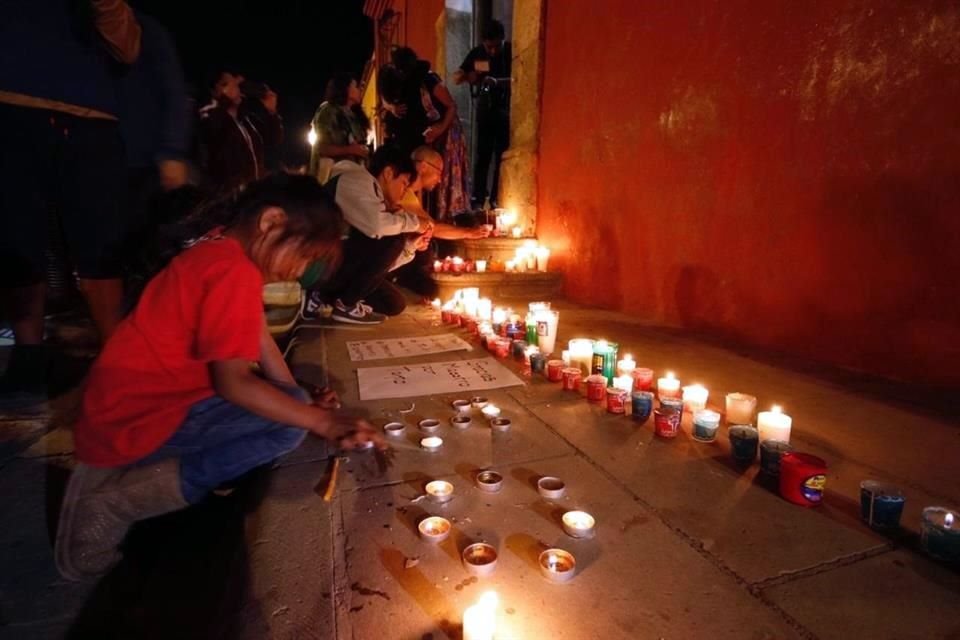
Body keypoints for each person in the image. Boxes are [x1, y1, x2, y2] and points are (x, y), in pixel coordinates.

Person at [55, 174, 385, 581]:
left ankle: (152, 471)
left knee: (291, 409)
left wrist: (296, 396)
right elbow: (233, 382)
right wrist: (322, 420)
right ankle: (118, 499)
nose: (300, 273)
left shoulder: (218, 250)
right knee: (286, 428)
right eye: (304, 257)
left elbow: (256, 337)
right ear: (271, 222)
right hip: (138, 417)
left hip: (133, 403)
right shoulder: (233, 272)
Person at [0, 0, 142, 391]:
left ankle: (116, 358)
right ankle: (28, 356)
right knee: (16, 240)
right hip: (11, 111)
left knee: (103, 245)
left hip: (92, 120)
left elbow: (128, 50)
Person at [300, 145, 430, 324]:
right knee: (393, 235)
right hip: (316, 267)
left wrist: (410, 247)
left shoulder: (373, 198)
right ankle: (343, 304)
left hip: (336, 267)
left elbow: (372, 269)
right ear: (388, 173)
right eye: (404, 184)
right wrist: (415, 223)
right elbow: (376, 226)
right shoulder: (355, 180)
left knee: (393, 303)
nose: (404, 193)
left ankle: (328, 299)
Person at [380, 47, 470, 219]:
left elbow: (452, 106)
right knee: (426, 174)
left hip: (446, 130)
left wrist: (441, 128)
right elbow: (384, 98)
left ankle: (449, 215)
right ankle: (429, 215)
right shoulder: (395, 79)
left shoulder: (429, 79)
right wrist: (392, 108)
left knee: (442, 173)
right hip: (429, 133)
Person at [454, 20, 511, 208]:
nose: (493, 51)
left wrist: (498, 82)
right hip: (485, 108)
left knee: (501, 155)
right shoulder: (478, 53)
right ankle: (478, 198)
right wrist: (466, 76)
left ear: (503, 40)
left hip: (505, 108)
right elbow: (457, 76)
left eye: (496, 46)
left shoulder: (510, 51)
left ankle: (497, 198)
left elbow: (519, 77)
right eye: (489, 47)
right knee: (482, 155)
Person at [197, 70, 264, 193]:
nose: (234, 88)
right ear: (213, 92)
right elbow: (215, 133)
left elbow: (273, 138)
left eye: (234, 84)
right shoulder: (208, 113)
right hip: (226, 196)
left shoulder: (245, 119)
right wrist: (225, 100)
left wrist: (271, 113)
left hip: (252, 194)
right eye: (225, 85)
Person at [308, 72, 371, 183]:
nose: (359, 89)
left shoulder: (354, 115)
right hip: (332, 180)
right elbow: (321, 148)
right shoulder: (328, 111)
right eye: (355, 86)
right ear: (345, 89)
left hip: (353, 178)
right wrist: (350, 150)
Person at [240, 80, 284, 173]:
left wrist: (272, 112)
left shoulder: (251, 119)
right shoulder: (213, 117)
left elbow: (274, 139)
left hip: (257, 177)